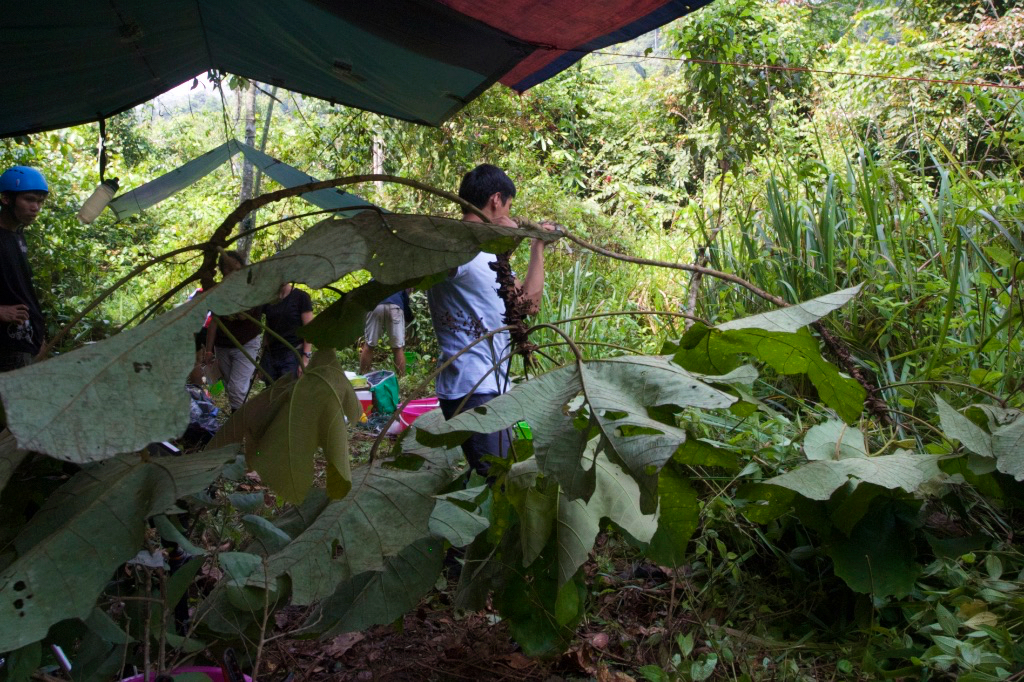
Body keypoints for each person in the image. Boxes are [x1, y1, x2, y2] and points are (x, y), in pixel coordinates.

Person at [427, 164, 552, 477]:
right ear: (497, 199)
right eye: (509, 205)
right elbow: (437, 266)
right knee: (500, 483)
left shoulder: (487, 256)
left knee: (500, 478)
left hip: (491, 384)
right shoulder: (458, 248)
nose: (511, 213)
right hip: (472, 388)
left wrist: (537, 246)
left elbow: (528, 304)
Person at [0, 166, 48, 372]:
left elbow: (23, 291)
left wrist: (39, 337)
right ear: (6, 199)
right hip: (6, 345)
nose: (35, 207)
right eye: (29, 199)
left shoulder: (17, 236)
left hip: (27, 341)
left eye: (39, 201)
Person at [203, 251, 264, 410]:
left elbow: (243, 316)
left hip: (246, 344)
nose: (231, 274)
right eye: (227, 270)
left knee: (237, 389)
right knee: (232, 388)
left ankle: (240, 425)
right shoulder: (220, 291)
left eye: (235, 269)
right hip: (223, 346)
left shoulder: (251, 288)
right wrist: (209, 351)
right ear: (222, 272)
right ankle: (239, 420)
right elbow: (214, 321)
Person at [262, 281, 314, 381]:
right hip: (272, 354)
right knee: (272, 392)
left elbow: (309, 330)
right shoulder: (269, 300)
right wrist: (263, 358)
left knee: (287, 390)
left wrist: (305, 359)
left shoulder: (301, 297)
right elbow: (268, 328)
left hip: (292, 353)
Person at [360, 289, 409, 377]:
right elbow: (406, 301)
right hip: (395, 306)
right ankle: (401, 379)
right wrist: (408, 319)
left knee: (369, 345)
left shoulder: (375, 278)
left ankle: (362, 377)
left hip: (375, 306)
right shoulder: (399, 279)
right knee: (398, 348)